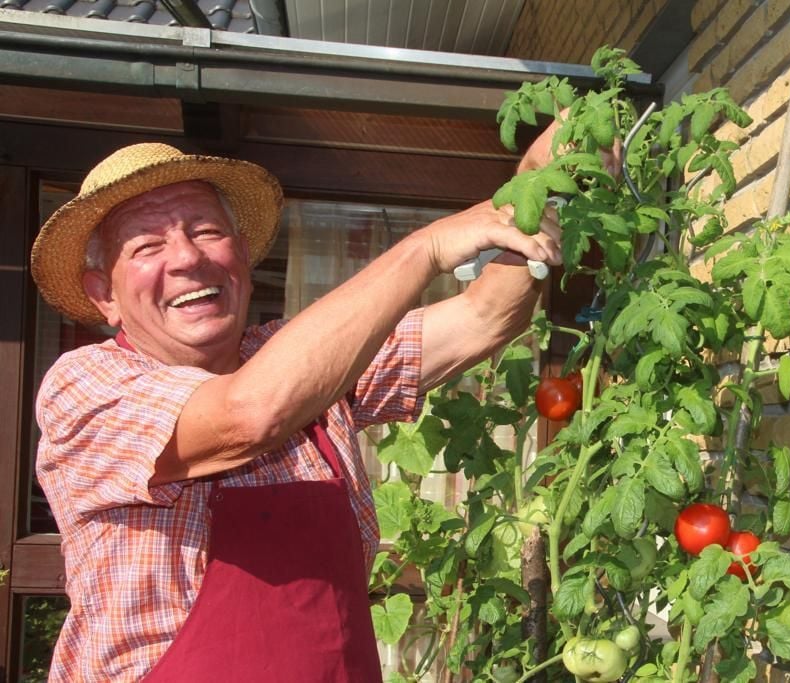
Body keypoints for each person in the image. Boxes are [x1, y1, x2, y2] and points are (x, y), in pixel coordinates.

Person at [31, 123, 567, 681]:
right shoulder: (87, 385)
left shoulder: (305, 361)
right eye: (147, 246)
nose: (187, 257)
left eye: (207, 231)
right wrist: (425, 248)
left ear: (242, 255)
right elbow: (248, 415)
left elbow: (484, 317)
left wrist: (539, 182)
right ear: (104, 295)